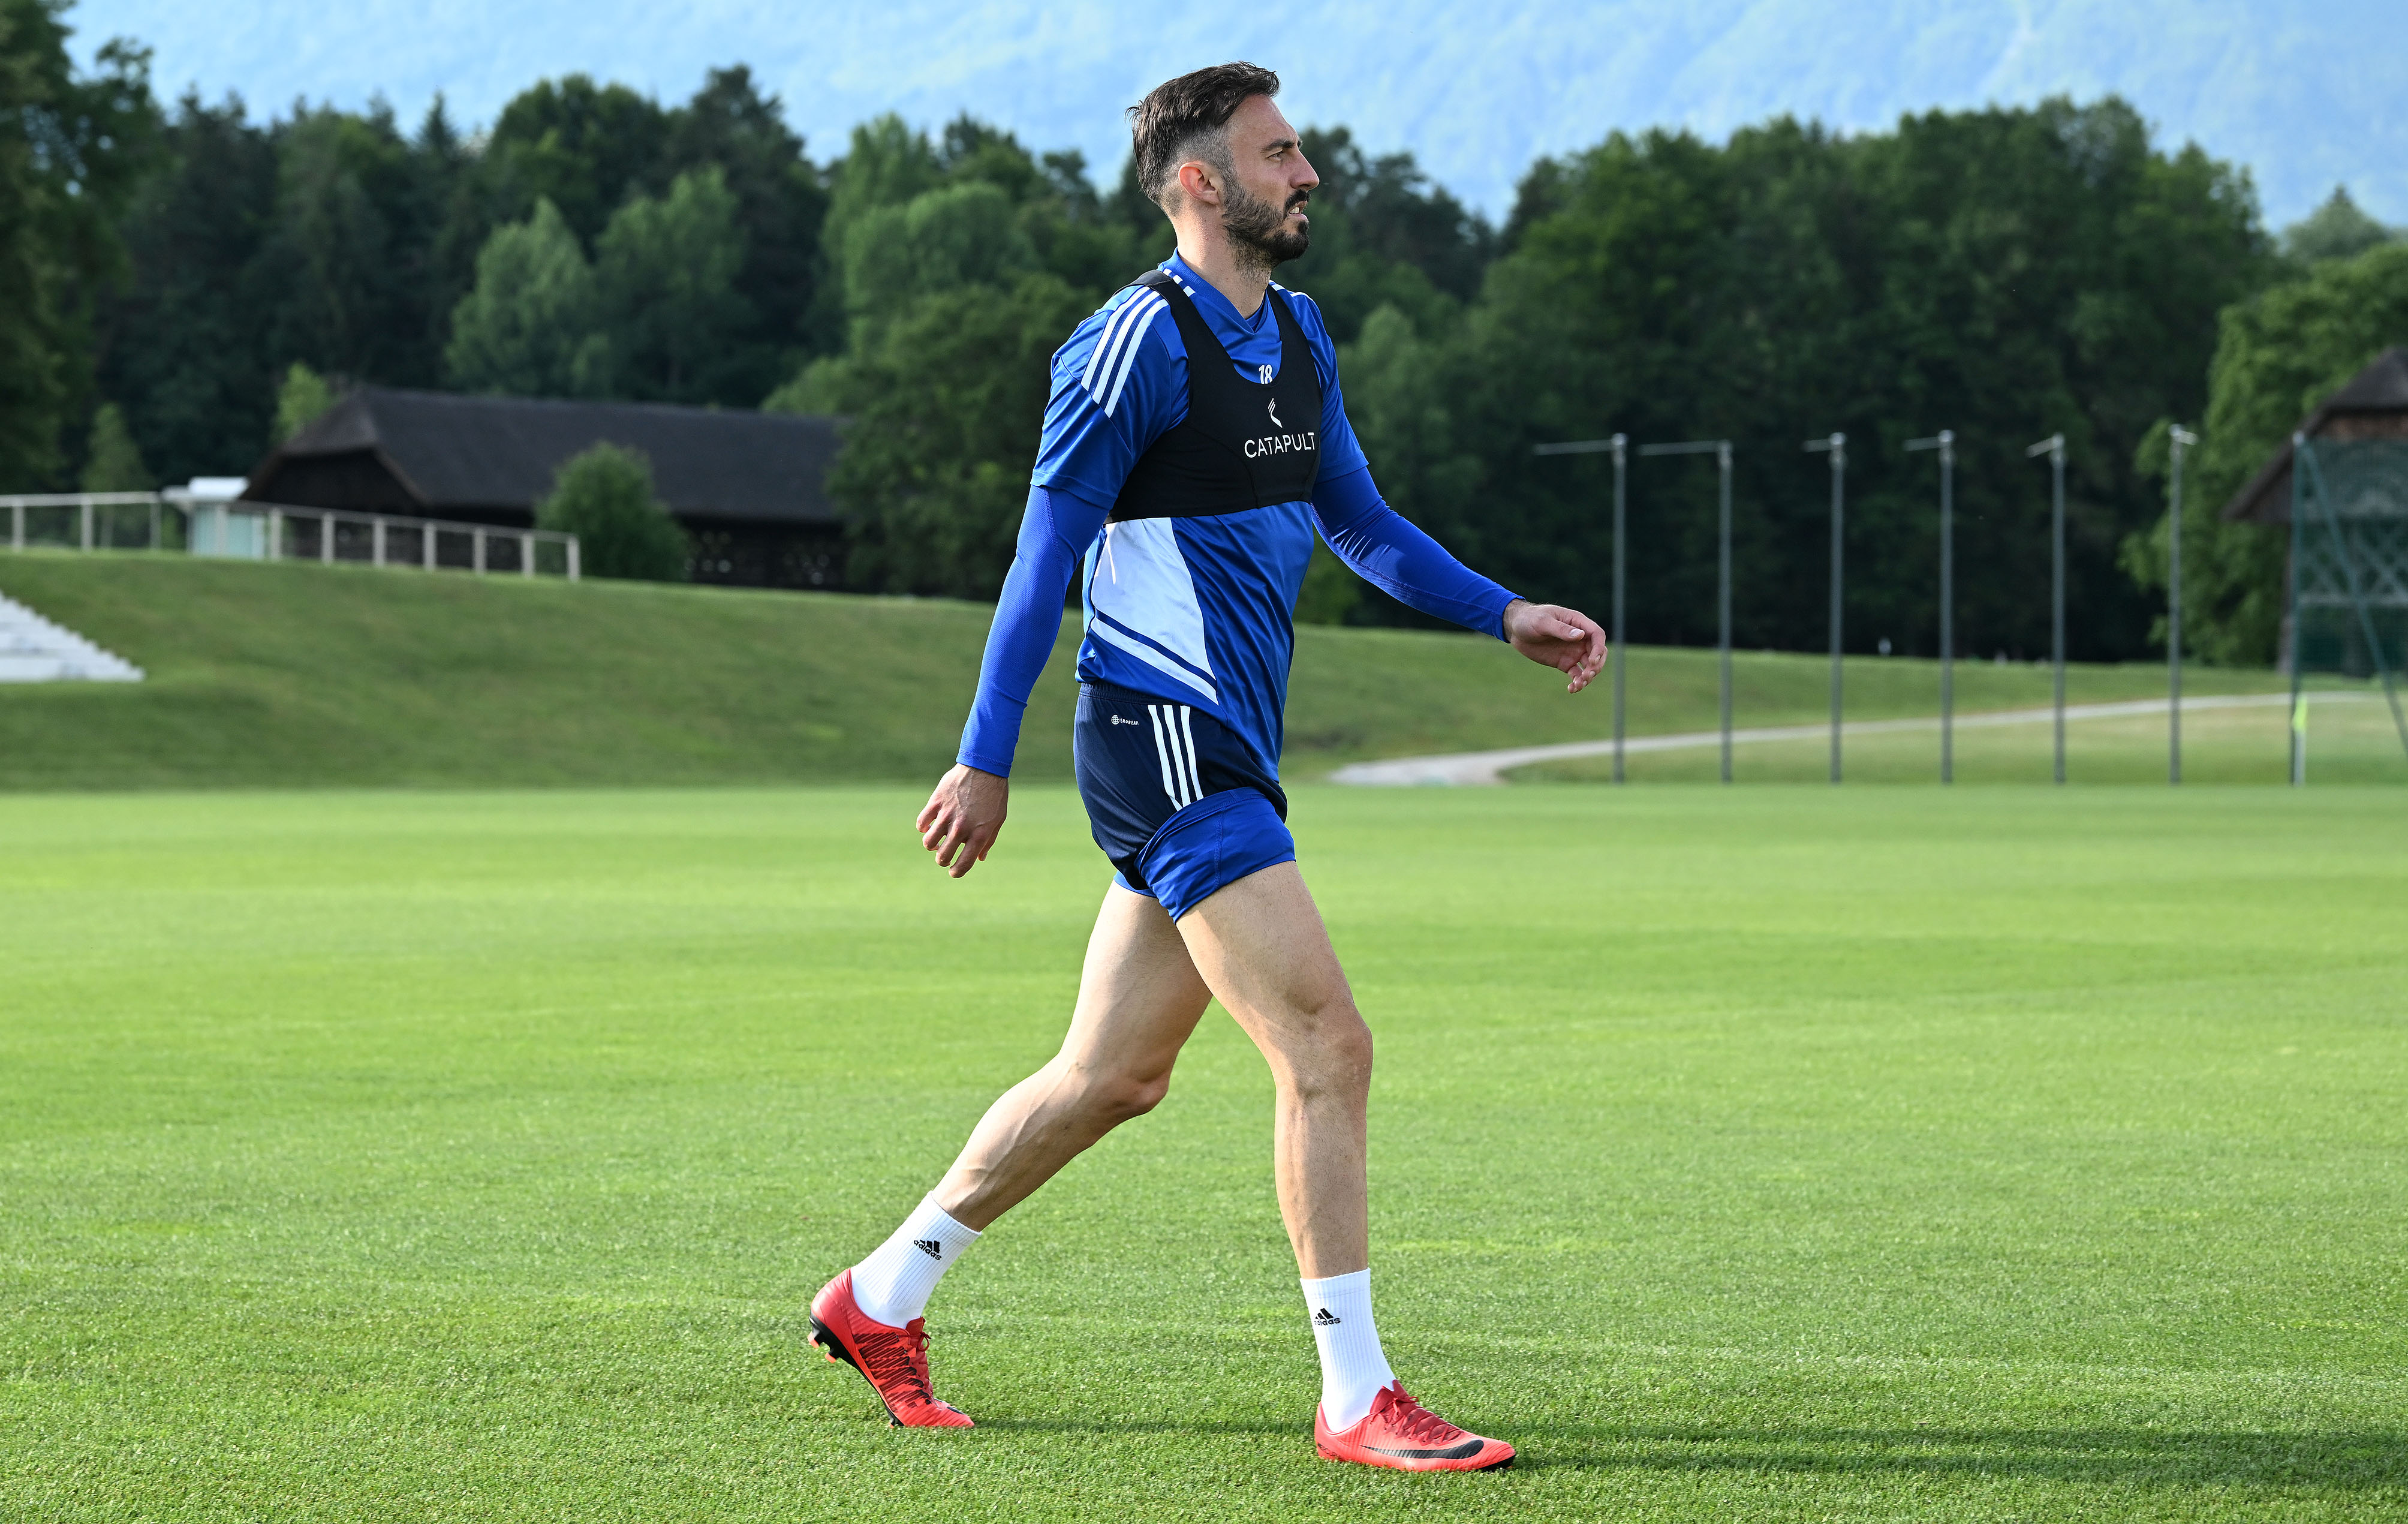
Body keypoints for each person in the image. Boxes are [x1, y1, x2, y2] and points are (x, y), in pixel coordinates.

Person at [809, 61, 1604, 1473]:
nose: (1307, 174)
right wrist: (981, 757)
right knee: (1327, 1046)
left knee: (1111, 1074)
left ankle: (879, 1294)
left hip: (1225, 743)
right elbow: (1043, 558)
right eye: (1277, 152)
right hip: (1160, 737)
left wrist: (1502, 612)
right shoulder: (1131, 345)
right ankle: (1356, 1395)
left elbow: (1359, 522)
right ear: (1198, 181)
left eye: (1297, 150)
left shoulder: (1297, 332)